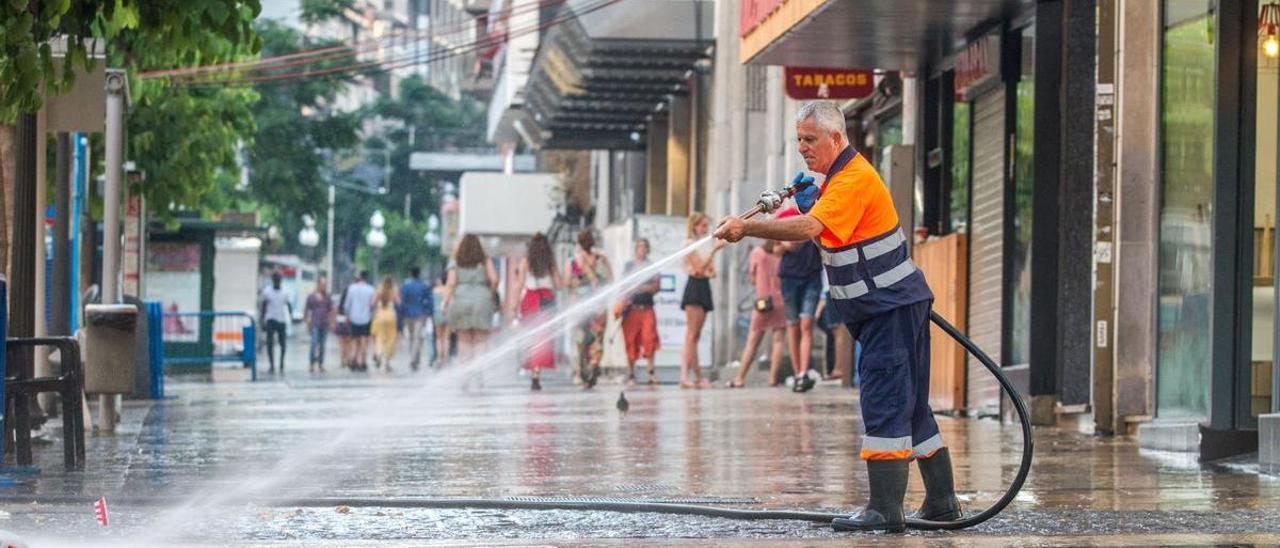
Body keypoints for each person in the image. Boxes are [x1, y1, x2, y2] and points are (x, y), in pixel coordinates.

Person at [714, 100, 959, 533]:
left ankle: (885, 509)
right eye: (799, 141)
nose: (803, 149)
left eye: (810, 140)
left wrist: (747, 227)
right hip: (894, 305)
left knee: (884, 401)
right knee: (912, 407)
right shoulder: (840, 182)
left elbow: (811, 229)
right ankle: (941, 502)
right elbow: (825, 225)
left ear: (836, 138)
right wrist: (811, 203)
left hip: (889, 309)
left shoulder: (853, 180)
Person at [775, 206, 824, 392]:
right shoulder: (786, 216)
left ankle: (803, 372)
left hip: (812, 276)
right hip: (789, 278)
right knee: (793, 325)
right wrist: (784, 244)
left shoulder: (816, 216)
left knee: (806, 323)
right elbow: (775, 249)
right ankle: (798, 373)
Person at [727, 240, 788, 387]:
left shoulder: (758, 253)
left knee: (753, 341)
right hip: (781, 300)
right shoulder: (782, 254)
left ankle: (740, 378)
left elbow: (753, 278)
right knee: (778, 340)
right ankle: (772, 379)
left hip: (763, 302)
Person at [680, 212, 725, 389]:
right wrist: (714, 250)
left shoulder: (703, 245)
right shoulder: (690, 244)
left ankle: (697, 376)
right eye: (703, 225)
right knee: (691, 335)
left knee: (695, 336)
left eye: (707, 226)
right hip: (695, 287)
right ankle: (685, 376)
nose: (706, 229)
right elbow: (699, 269)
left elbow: (711, 271)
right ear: (694, 226)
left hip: (703, 286)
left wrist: (708, 262)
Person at [513, 233, 562, 390]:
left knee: (532, 337)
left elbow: (519, 285)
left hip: (530, 300)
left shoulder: (525, 262)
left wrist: (514, 306)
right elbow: (560, 285)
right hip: (546, 300)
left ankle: (532, 369)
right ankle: (536, 373)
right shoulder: (550, 263)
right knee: (543, 339)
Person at [565, 230, 612, 389]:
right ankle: (593, 364)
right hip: (598, 305)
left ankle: (580, 372)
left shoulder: (573, 261)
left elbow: (567, 283)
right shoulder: (600, 259)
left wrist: (578, 285)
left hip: (579, 306)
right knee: (597, 338)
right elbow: (610, 280)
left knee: (579, 340)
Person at [443, 234, 499, 364]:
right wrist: (489, 294)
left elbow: (451, 283)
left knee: (464, 340)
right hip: (482, 299)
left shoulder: (455, 259)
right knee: (480, 341)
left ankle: (466, 377)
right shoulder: (485, 259)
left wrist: (445, 302)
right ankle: (478, 378)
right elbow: (495, 279)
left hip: (461, 299)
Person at [618, 238, 660, 385]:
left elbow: (655, 287)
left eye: (644, 247)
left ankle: (651, 373)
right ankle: (630, 373)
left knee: (650, 340)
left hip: (647, 308)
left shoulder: (651, 266)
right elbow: (623, 287)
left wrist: (640, 287)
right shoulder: (629, 266)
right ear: (635, 249)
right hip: (631, 310)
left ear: (648, 249)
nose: (642, 249)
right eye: (639, 247)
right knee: (630, 341)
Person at [341, 271, 376, 371]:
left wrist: (348, 315)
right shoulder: (371, 289)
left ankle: (354, 360)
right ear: (367, 278)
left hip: (354, 318)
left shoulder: (352, 289)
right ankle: (363, 362)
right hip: (366, 319)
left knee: (355, 341)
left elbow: (347, 305)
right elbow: (372, 305)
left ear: (360, 277)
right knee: (364, 341)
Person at [259, 272, 293, 374]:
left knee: (283, 343)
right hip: (270, 319)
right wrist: (262, 319)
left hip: (281, 319)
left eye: (279, 280)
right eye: (275, 280)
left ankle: (281, 362)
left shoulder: (285, 292)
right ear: (272, 281)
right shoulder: (267, 292)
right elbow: (264, 306)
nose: (277, 282)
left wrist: (290, 316)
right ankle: (272, 365)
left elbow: (288, 304)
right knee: (270, 343)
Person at [399, 267, 433, 371]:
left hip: (408, 314)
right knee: (417, 337)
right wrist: (429, 313)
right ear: (419, 274)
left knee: (412, 337)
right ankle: (414, 358)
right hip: (420, 314)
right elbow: (429, 300)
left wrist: (402, 314)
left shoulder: (406, 286)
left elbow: (402, 300)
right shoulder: (423, 286)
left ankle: (414, 357)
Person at [303, 276, 334, 373]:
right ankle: (312, 363)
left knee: (322, 345)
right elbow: (307, 309)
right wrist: (307, 320)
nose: (324, 286)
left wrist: (331, 322)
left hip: (324, 323)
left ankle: (321, 363)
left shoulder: (327, 297)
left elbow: (331, 310)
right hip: (314, 323)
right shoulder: (311, 296)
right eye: (322, 284)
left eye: (325, 285)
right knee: (314, 343)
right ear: (318, 285)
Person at [370, 276, 400, 371]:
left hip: (380, 315)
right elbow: (398, 302)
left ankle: (379, 354)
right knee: (390, 339)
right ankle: (387, 362)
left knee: (380, 338)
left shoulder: (379, 290)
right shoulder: (394, 290)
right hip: (391, 315)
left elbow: (372, 303)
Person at [432, 273, 451, 367]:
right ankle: (446, 357)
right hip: (448, 314)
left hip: (437, 314)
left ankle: (439, 358)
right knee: (446, 338)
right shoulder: (449, 291)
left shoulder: (435, 290)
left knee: (438, 338)